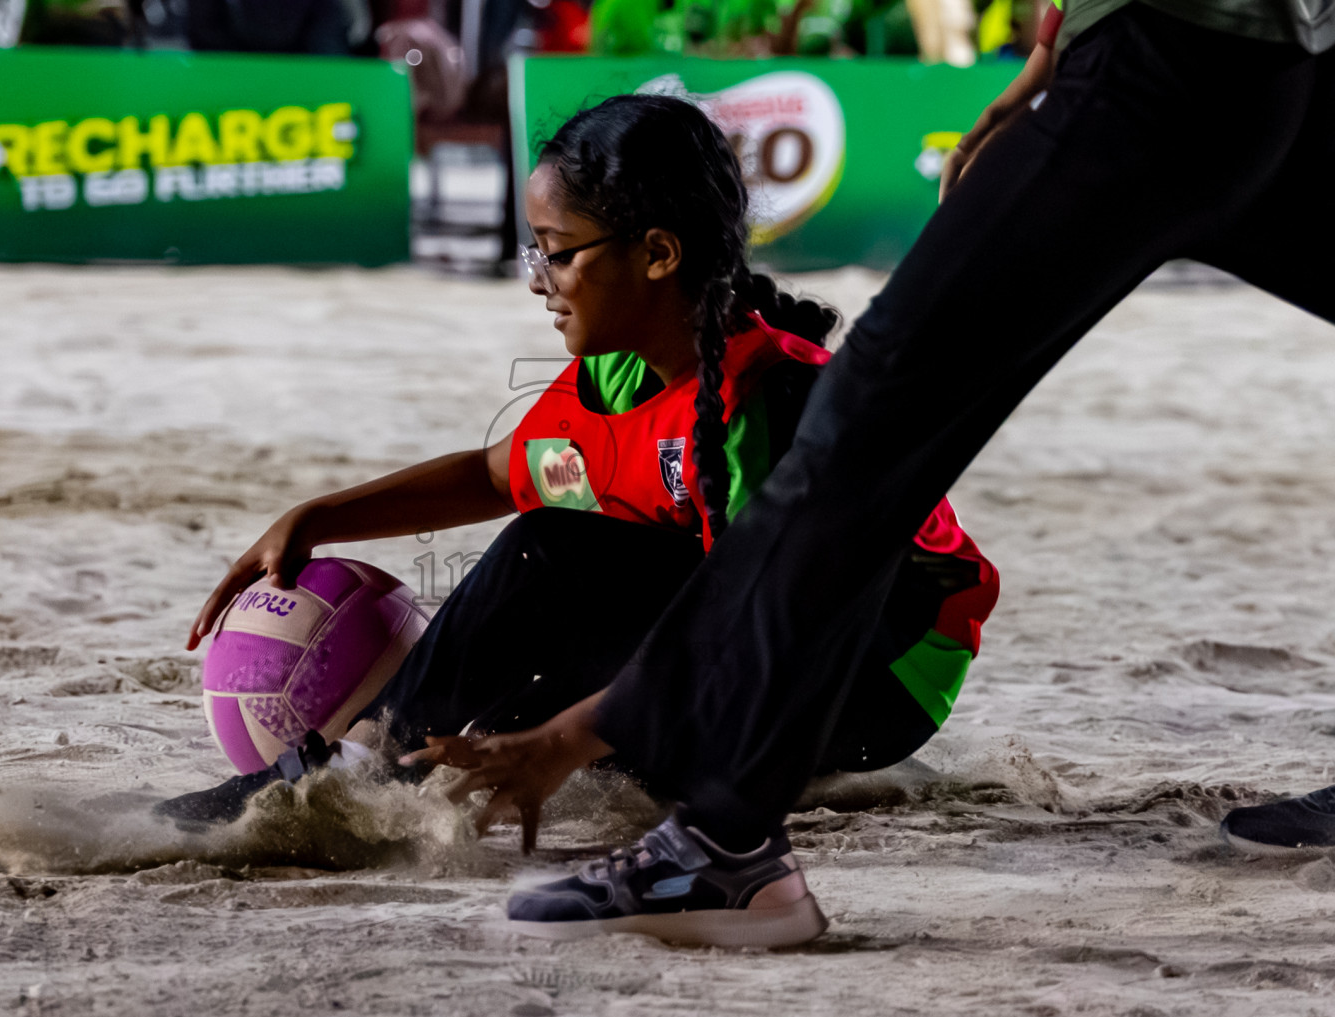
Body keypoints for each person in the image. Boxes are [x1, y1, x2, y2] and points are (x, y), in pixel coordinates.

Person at [407, 0, 1335, 946]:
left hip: (1181, 57)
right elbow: (505, 475)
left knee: (872, 409)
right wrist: (1050, 51)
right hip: (1241, 51)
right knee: (869, 414)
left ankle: (727, 845)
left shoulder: (753, 377)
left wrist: (586, 730)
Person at [158, 96, 999, 866]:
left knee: (556, 557)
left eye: (556, 254)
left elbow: (771, 632)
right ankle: (376, 761)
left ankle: (356, 768)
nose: (537, 280)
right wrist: (318, 518)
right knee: (548, 604)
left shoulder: (772, 401)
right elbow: (498, 475)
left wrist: (570, 736)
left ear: (658, 255)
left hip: (873, 671)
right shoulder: (621, 375)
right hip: (764, 641)